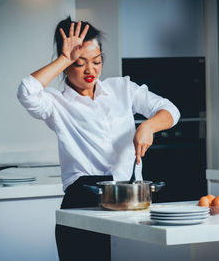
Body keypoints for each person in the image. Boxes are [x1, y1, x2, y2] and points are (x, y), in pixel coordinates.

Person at [17, 16, 180, 261]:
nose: (90, 70)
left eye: (96, 61)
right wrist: (63, 59)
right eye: (79, 63)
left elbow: (170, 110)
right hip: (82, 201)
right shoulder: (55, 103)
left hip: (129, 201)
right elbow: (26, 91)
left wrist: (148, 126)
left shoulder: (122, 89)